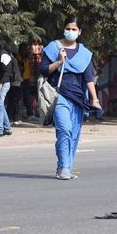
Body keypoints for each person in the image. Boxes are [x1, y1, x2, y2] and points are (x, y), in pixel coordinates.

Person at [39, 16, 101, 180]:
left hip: (78, 98)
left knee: (73, 134)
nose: (71, 32)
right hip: (59, 95)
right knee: (64, 130)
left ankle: (65, 167)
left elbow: (89, 78)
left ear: (79, 32)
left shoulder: (85, 54)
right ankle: (63, 168)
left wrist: (94, 99)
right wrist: (60, 61)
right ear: (64, 29)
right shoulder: (53, 48)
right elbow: (44, 70)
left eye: (74, 29)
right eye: (68, 28)